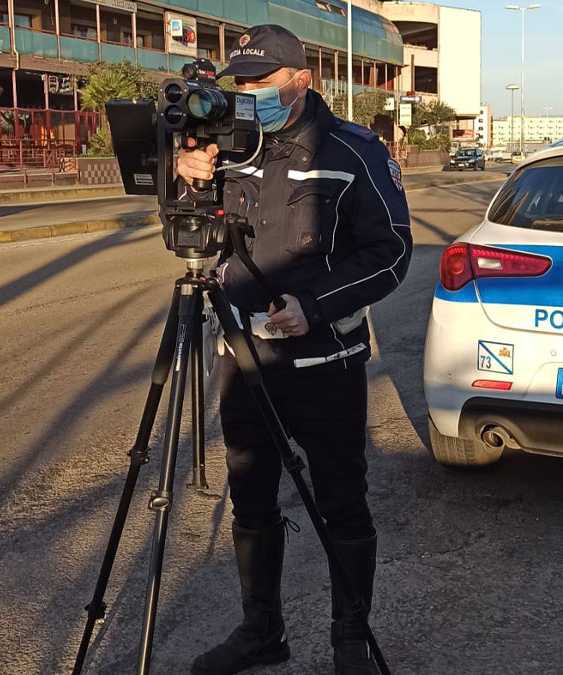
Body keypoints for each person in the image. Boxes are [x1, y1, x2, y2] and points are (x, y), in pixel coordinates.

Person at [175, 24, 412, 675]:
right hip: (245, 362)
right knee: (250, 494)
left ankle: (350, 638)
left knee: (342, 498)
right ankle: (262, 629)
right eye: (239, 84)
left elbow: (391, 251)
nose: (246, 94)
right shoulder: (229, 147)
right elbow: (197, 232)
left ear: (301, 81)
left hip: (325, 366)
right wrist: (186, 177)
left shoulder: (354, 149)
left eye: (259, 82)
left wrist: (317, 304)